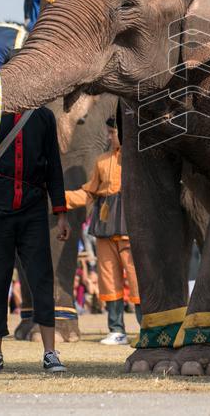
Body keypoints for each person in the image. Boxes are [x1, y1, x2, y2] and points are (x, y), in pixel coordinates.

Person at [0, 103, 70, 373]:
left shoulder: (44, 116)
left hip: (33, 207)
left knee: (42, 278)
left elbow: (53, 166)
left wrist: (61, 213)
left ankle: (50, 352)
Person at [64, 116, 140, 345]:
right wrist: (60, 197)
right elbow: (89, 193)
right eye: (108, 132)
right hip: (105, 228)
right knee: (108, 281)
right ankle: (117, 330)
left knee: (137, 280)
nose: (109, 136)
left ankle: (149, 328)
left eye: (112, 132)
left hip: (130, 227)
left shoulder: (137, 159)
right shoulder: (101, 160)